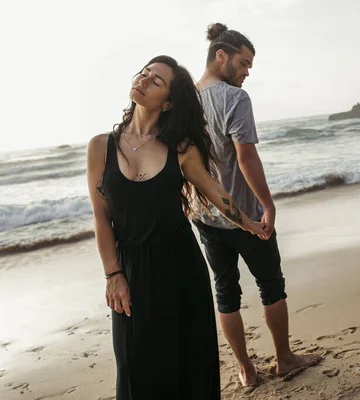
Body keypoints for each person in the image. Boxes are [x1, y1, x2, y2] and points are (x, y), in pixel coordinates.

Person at [86, 55, 266, 400]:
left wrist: (249, 224)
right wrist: (113, 275)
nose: (143, 79)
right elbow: (101, 216)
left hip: (181, 267)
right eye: (144, 73)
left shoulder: (180, 149)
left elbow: (217, 195)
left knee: (188, 364)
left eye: (156, 81)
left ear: (167, 102)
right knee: (134, 364)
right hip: (132, 271)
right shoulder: (100, 147)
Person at [194, 23, 321, 387]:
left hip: (205, 216)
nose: (248, 71)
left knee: (224, 291)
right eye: (244, 63)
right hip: (246, 215)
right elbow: (246, 159)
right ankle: (284, 359)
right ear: (222, 56)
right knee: (271, 285)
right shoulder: (234, 99)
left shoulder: (185, 99)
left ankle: (247, 372)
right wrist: (268, 206)